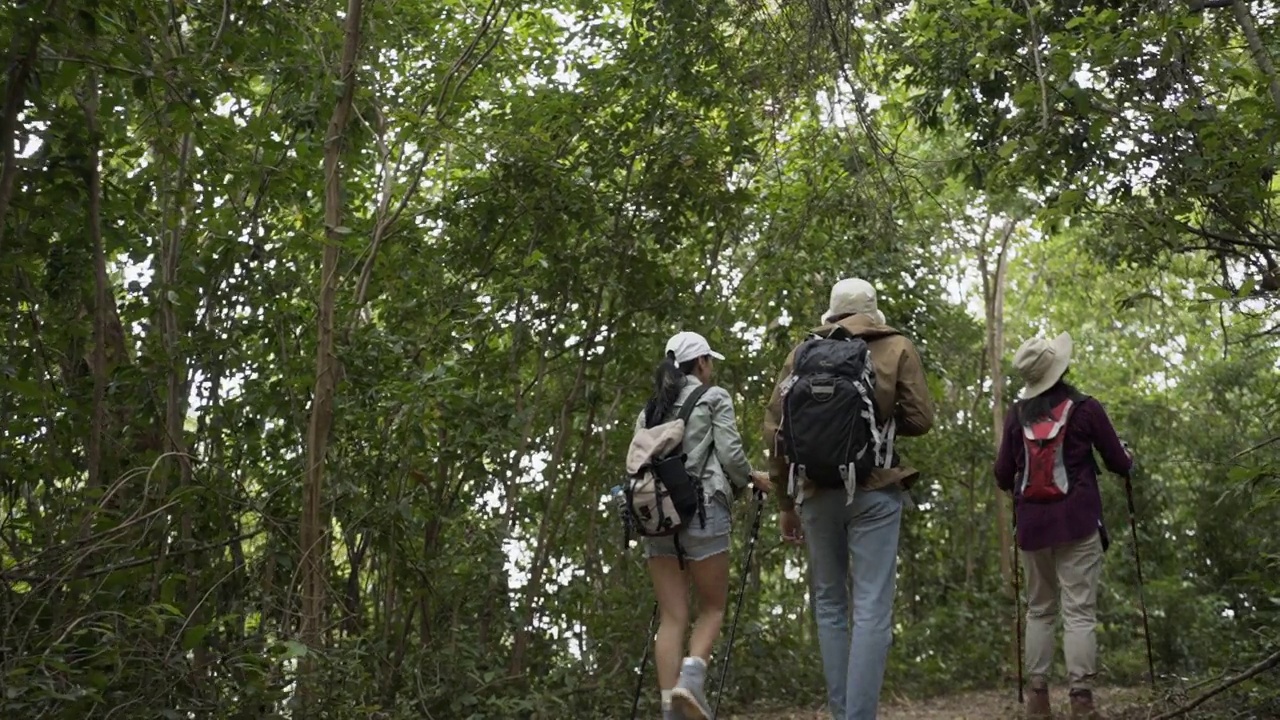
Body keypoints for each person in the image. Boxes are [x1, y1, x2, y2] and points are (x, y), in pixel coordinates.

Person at [762, 278, 935, 720]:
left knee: (829, 603)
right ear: (872, 311)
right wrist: (879, 422)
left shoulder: (801, 354)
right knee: (872, 607)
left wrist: (785, 502)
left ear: (831, 313)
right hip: (875, 489)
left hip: (817, 493)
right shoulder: (896, 346)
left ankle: (842, 714)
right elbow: (921, 418)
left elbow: (775, 433)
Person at [994, 332, 1134, 720]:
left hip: (1033, 529)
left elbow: (1003, 475)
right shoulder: (1085, 408)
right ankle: (1081, 700)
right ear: (1061, 368)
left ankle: (1038, 699)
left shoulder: (1015, 415)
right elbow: (1119, 463)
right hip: (1078, 523)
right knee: (1079, 611)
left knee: (1039, 609)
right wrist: (1129, 458)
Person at [638, 330, 772, 720]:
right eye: (709, 361)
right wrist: (752, 478)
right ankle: (691, 678)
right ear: (701, 363)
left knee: (673, 616)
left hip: (657, 517)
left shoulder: (650, 410)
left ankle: (669, 710)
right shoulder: (713, 397)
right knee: (712, 608)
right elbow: (730, 455)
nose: (711, 368)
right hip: (702, 511)